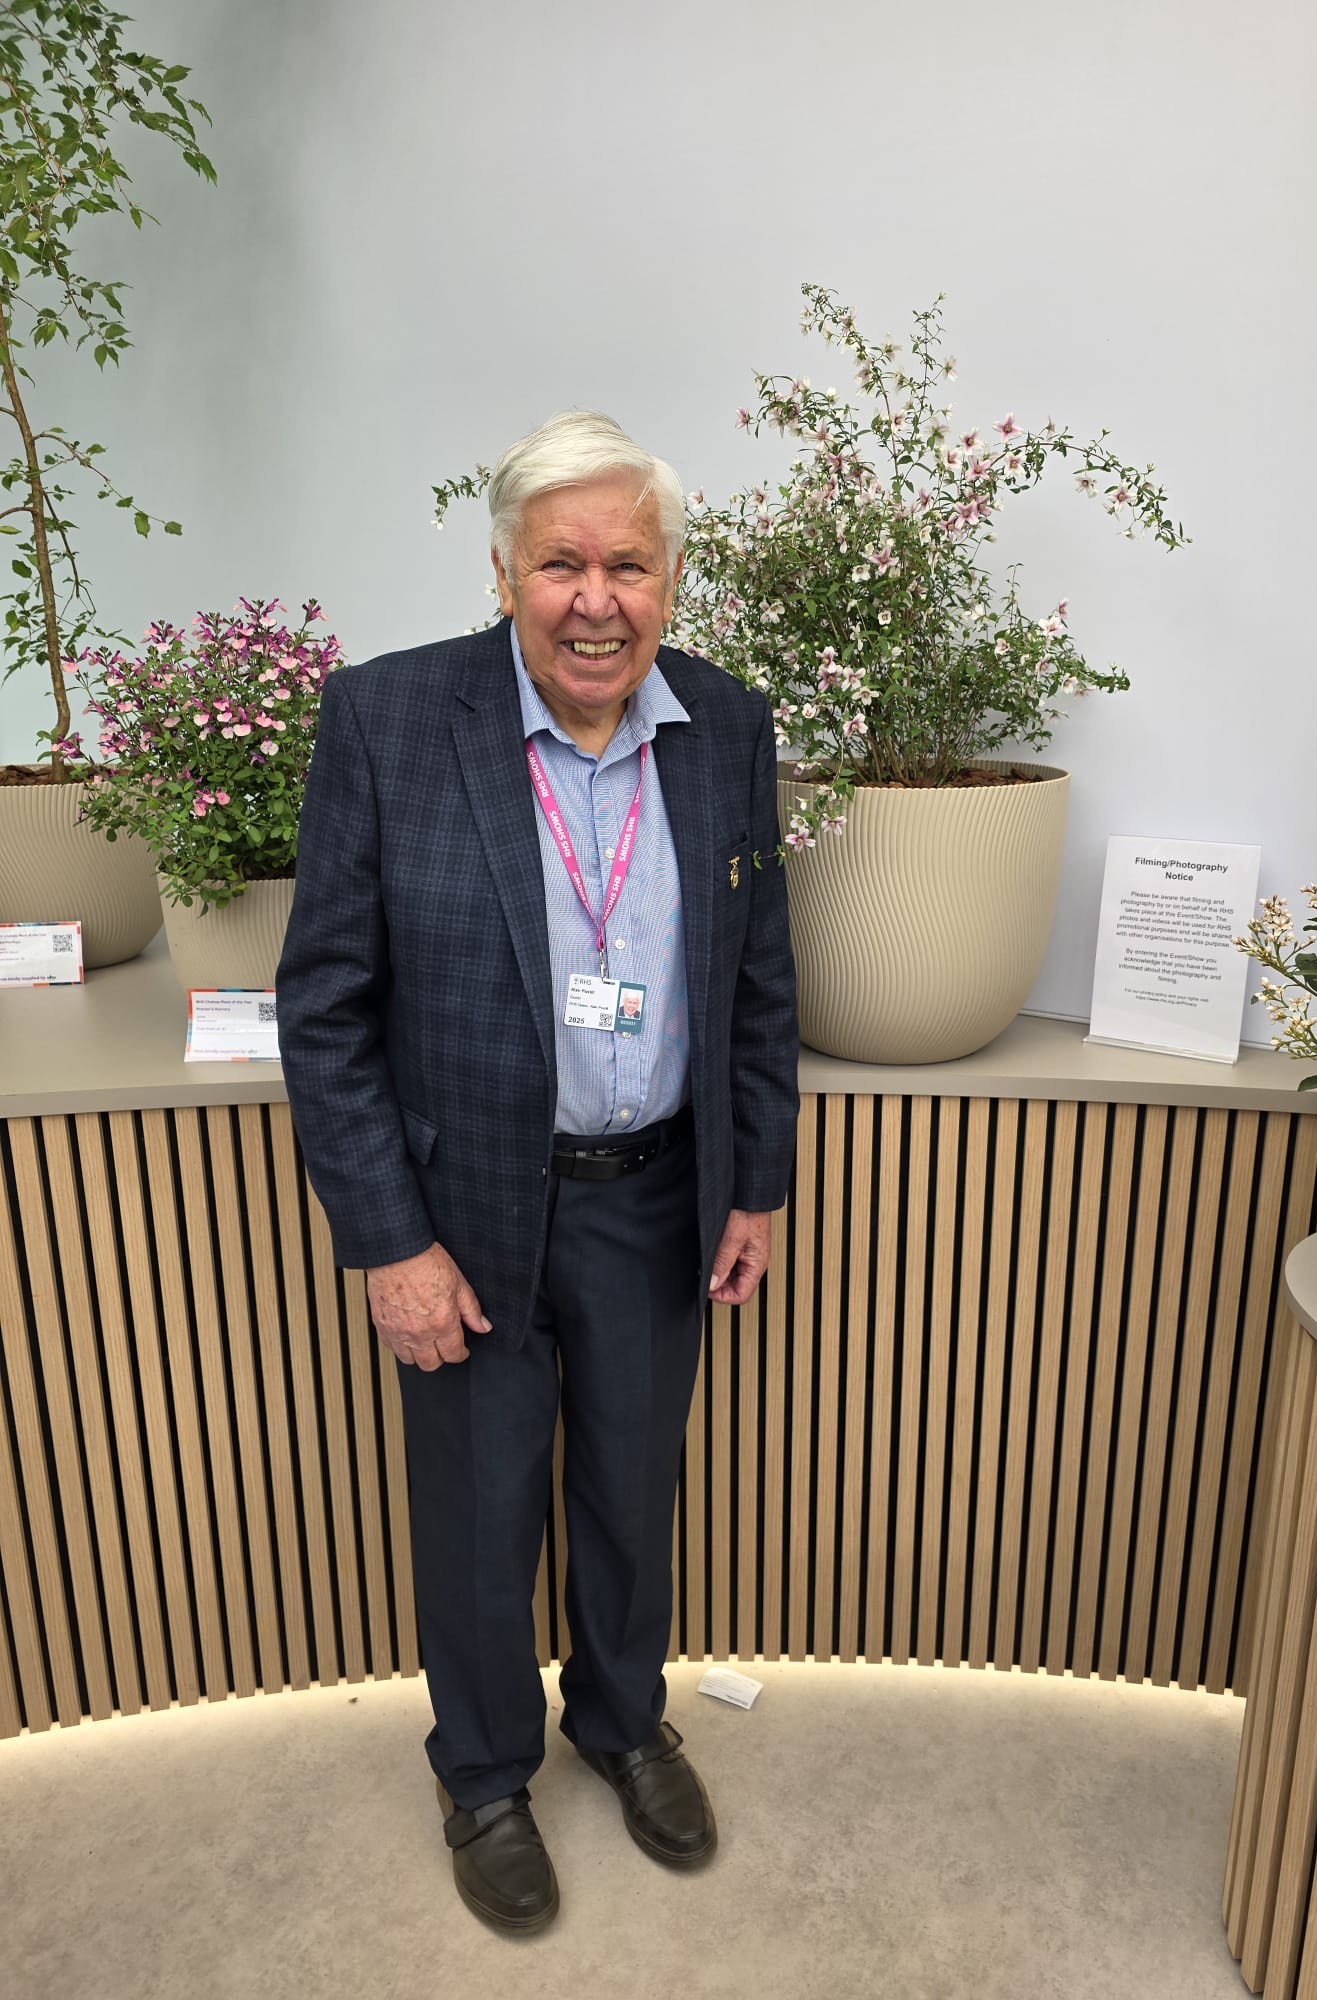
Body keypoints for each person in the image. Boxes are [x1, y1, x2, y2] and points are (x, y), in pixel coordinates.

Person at [275, 411, 800, 1933]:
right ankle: (487, 1772)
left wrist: (750, 1185)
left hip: (655, 1198)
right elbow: (326, 1007)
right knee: (482, 1507)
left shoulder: (727, 727)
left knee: (638, 1488)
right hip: (467, 1210)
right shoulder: (388, 719)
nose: (595, 597)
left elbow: (759, 985)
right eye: (560, 561)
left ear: (671, 580)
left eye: (626, 563)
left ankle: (625, 1725)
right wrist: (388, 1242)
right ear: (503, 571)